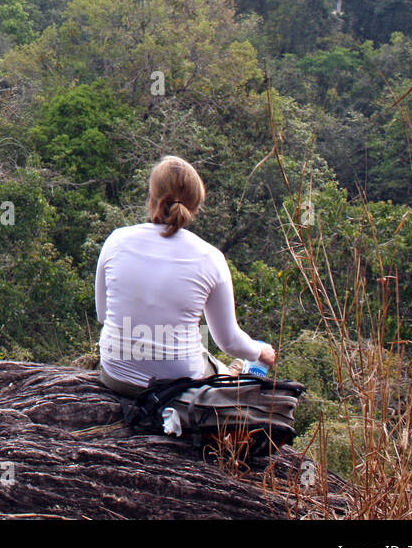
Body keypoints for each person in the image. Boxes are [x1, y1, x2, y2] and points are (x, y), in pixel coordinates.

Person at [95, 155, 277, 398]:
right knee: (237, 359)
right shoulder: (210, 257)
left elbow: (101, 314)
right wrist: (260, 353)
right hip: (177, 382)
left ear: (152, 195)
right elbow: (228, 341)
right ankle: (241, 371)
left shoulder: (116, 240)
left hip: (116, 375)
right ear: (195, 204)